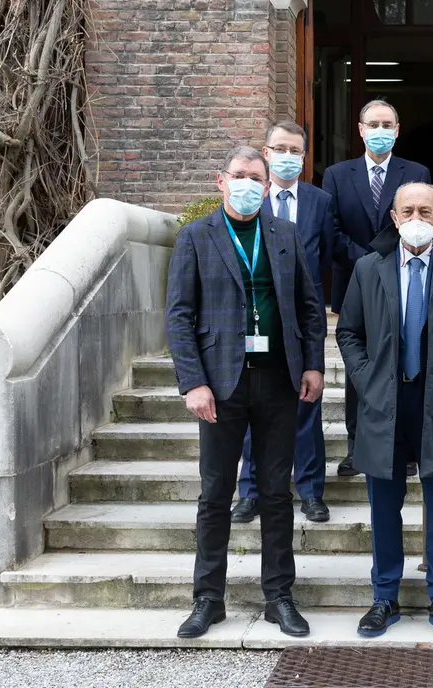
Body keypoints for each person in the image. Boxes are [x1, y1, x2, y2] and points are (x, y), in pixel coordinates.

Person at [166, 145, 326, 639]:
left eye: (256, 178)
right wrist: (193, 381)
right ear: (222, 180)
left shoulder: (285, 234)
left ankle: (279, 596)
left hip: (278, 379)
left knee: (276, 493)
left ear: (267, 184)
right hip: (220, 383)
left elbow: (309, 306)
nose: (248, 185)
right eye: (240, 175)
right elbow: (179, 316)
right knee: (215, 494)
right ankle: (207, 599)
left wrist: (314, 364)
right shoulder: (196, 236)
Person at [336, 182, 433, 641]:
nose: (416, 218)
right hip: (384, 401)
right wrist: (366, 379)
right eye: (408, 211)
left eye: (426, 210)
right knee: (384, 507)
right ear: (394, 217)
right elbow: (349, 331)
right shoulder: (369, 267)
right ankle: (384, 596)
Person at [233, 121, 335, 525]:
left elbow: (324, 258)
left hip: (301, 322)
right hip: (256, 321)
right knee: (251, 408)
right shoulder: (248, 199)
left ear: (304, 157)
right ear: (266, 152)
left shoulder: (320, 202)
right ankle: (250, 491)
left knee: (307, 406)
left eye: (295, 150)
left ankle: (311, 491)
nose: (287, 156)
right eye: (280, 148)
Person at [324, 99, 432, 478]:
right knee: (360, 369)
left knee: (404, 364)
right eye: (374, 124)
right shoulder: (337, 175)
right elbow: (331, 229)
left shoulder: (416, 172)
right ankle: (357, 448)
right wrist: (369, 263)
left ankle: (405, 447)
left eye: (387, 124)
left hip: (405, 283)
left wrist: (389, 262)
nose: (380, 130)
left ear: (397, 130)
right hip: (355, 284)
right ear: (361, 129)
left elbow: (420, 222)